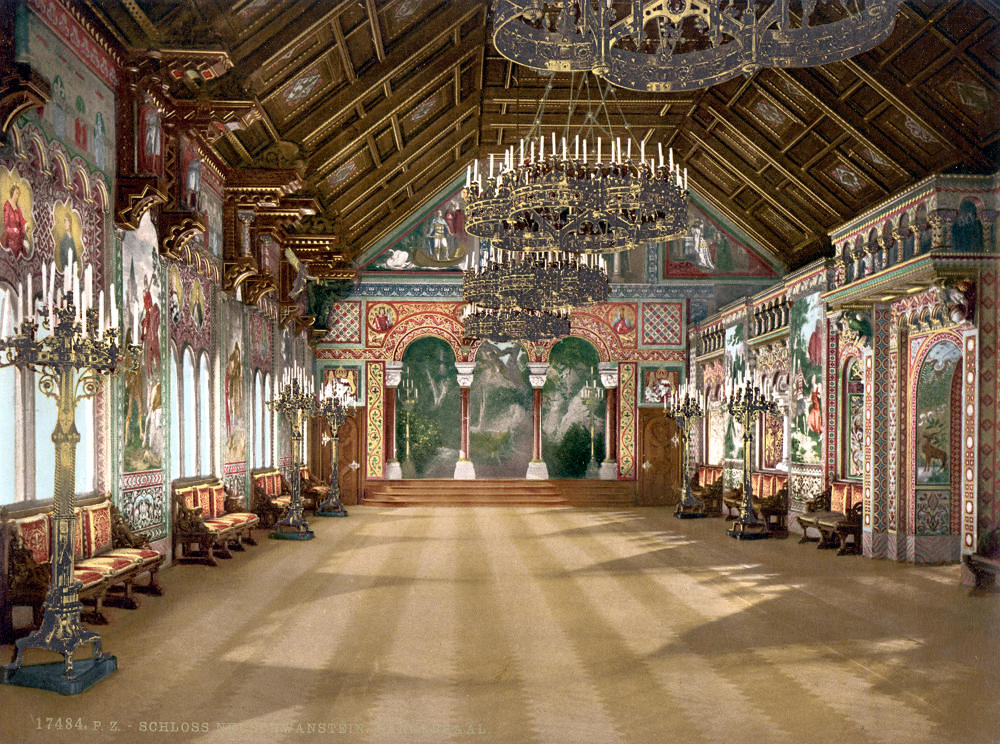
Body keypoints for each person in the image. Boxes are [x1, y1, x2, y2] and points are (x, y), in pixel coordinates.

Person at [3, 184, 29, 260]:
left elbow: (22, 220)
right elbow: (5, 224)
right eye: (16, 193)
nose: (18, 196)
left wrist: (26, 224)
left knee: (24, 254)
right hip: (11, 239)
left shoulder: (18, 207)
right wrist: (13, 230)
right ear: (12, 193)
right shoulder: (7, 205)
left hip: (19, 237)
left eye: (19, 194)